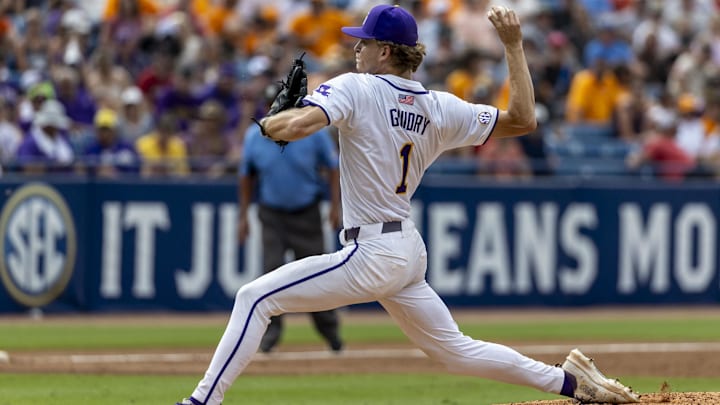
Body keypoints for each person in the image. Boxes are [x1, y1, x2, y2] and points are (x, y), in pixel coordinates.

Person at [176, 5, 640, 405]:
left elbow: (296, 128)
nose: (356, 50)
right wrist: (514, 45)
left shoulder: (356, 88)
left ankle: (201, 400)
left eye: (364, 43)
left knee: (254, 297)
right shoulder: (439, 106)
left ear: (385, 51)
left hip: (372, 252)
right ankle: (572, 382)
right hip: (405, 249)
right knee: (453, 351)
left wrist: (269, 122)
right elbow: (523, 119)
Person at [237, 82, 343, 354]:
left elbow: (333, 168)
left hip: (306, 212)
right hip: (271, 213)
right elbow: (246, 176)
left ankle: (330, 333)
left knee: (316, 278)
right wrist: (243, 216)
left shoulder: (312, 133)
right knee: (271, 274)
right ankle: (270, 336)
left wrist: (335, 206)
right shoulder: (254, 136)